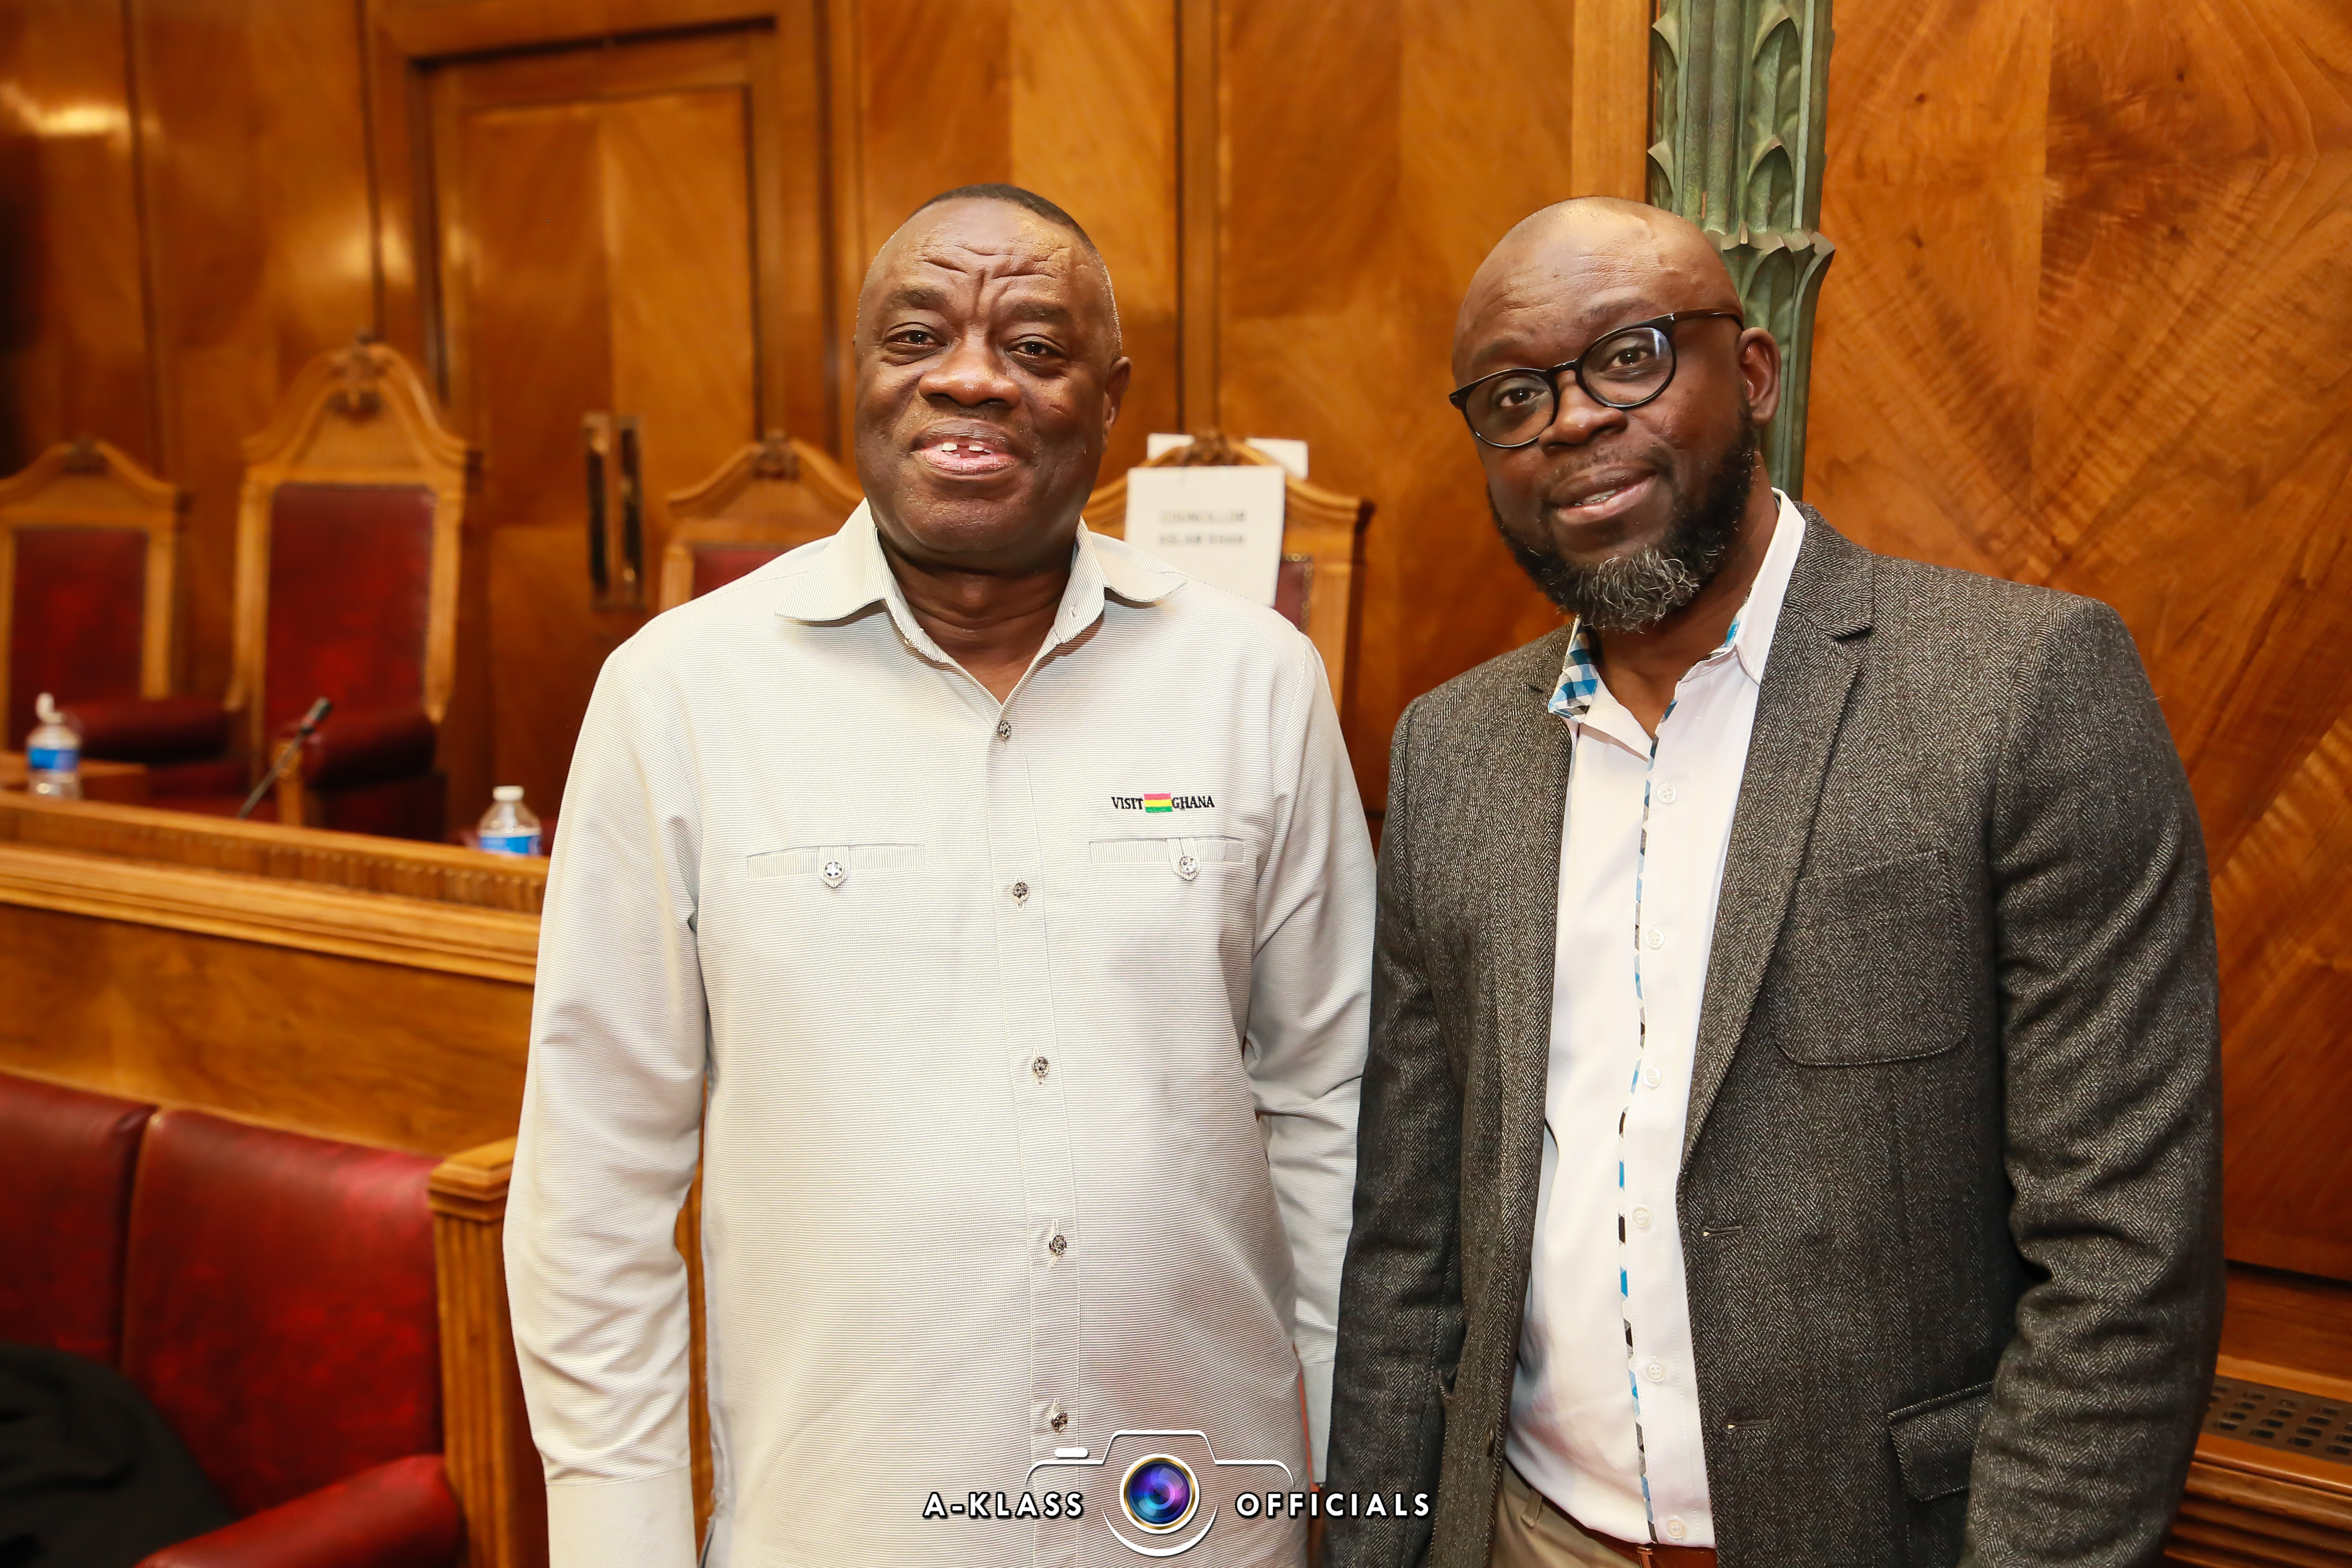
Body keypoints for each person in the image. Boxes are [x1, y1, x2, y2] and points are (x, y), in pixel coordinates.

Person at [1323, 197, 2221, 1568]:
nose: (1571, 420)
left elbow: (2126, 1253)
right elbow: (1409, 1237)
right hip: (1521, 1530)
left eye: (1628, 358)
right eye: (1514, 395)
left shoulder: (2019, 691)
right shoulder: (1452, 751)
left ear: (1751, 374)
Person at [506, 184, 1372, 1568]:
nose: (970, 379)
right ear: (855, 377)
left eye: (1034, 347)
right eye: (917, 337)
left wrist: (1346, 1492)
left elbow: (1329, 1107)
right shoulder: (678, 694)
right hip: (842, 1526)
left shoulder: (1253, 680)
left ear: (1109, 399)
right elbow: (594, 1182)